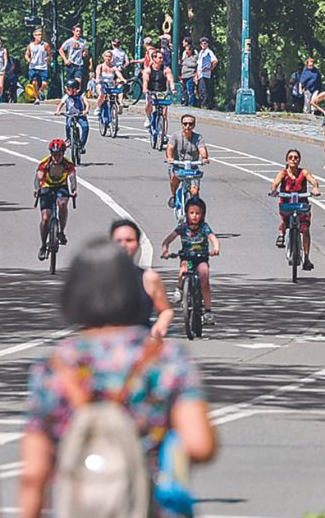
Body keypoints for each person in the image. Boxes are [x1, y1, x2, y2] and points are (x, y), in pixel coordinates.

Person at [18, 240, 216, 518]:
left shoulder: (56, 367)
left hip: (81, 505)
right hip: (149, 505)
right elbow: (200, 444)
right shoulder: (166, 360)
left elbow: (34, 474)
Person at [161, 198, 221, 325]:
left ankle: (208, 311)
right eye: (191, 213)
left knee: (204, 276)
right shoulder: (183, 227)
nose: (194, 216)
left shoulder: (204, 227)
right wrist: (165, 250)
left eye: (198, 213)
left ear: (202, 215)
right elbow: (168, 240)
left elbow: (213, 238)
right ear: (187, 213)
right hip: (187, 258)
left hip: (201, 258)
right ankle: (180, 289)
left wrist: (215, 248)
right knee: (183, 269)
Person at [110, 220, 175, 339]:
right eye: (118, 241)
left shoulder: (149, 278)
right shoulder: (97, 277)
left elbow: (166, 311)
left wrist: (160, 326)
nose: (123, 245)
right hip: (105, 347)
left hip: (140, 345)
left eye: (129, 240)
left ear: (138, 244)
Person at [270, 149, 322, 271]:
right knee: (285, 219)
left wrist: (315, 188)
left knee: (305, 229)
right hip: (287, 203)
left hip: (301, 205)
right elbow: (274, 184)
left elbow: (314, 182)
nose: (293, 160)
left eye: (296, 158)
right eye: (291, 157)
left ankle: (307, 258)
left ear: (299, 160)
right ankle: (281, 234)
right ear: (287, 160)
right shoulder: (283, 174)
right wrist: (274, 191)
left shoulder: (303, 172)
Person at [35, 139, 77, 261]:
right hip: (46, 188)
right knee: (45, 218)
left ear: (63, 154)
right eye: (54, 154)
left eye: (59, 154)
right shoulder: (45, 163)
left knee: (63, 203)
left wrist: (73, 189)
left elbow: (72, 177)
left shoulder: (67, 163)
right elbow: (38, 177)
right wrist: (37, 188)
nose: (56, 157)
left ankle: (61, 232)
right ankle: (43, 245)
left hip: (61, 187)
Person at [165, 114, 209, 207]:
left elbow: (202, 149)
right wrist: (170, 158)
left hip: (192, 168)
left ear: (194, 125)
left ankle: (193, 208)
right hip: (178, 166)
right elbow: (170, 148)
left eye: (190, 124)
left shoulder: (198, 137)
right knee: (174, 178)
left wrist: (204, 158)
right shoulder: (175, 136)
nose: (187, 126)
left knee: (194, 191)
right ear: (182, 125)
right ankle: (173, 196)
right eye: (185, 124)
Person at [142, 49, 175, 129]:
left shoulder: (166, 69)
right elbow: (145, 81)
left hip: (162, 92)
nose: (161, 60)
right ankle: (148, 117)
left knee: (164, 114)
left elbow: (170, 79)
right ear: (154, 59)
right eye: (159, 58)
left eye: (162, 58)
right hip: (151, 91)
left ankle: (164, 134)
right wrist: (145, 89)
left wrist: (173, 88)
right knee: (148, 104)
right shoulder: (148, 70)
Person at [93, 50, 126, 127]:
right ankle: (98, 107)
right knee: (102, 94)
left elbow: (119, 74)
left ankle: (119, 106)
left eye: (110, 56)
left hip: (111, 85)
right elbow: (97, 74)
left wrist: (123, 80)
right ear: (104, 57)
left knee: (119, 90)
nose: (108, 58)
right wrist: (97, 79)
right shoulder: (100, 66)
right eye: (107, 56)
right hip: (102, 84)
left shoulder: (113, 67)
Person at [55, 79, 89, 150]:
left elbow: (87, 104)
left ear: (74, 89)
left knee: (85, 127)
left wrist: (86, 110)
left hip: (80, 114)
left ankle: (81, 144)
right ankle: (69, 139)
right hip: (70, 114)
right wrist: (58, 111)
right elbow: (61, 104)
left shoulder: (81, 95)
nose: (67, 90)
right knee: (68, 125)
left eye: (68, 89)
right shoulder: (66, 96)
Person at [25, 28, 51, 103]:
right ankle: (37, 98)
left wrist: (48, 58)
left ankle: (41, 90)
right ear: (34, 36)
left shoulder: (45, 45)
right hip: (33, 67)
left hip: (43, 67)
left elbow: (50, 54)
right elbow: (27, 54)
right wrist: (28, 59)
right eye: (37, 35)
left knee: (44, 83)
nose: (39, 36)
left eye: (40, 35)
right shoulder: (31, 45)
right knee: (34, 82)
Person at [197, 38, 217, 109]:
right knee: (200, 89)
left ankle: (204, 104)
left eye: (205, 43)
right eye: (202, 44)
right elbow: (198, 64)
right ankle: (202, 103)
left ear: (207, 44)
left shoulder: (209, 52)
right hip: (200, 74)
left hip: (205, 74)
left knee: (204, 89)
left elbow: (215, 61)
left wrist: (210, 68)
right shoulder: (201, 52)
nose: (203, 45)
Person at [179, 41, 199, 106]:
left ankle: (191, 103)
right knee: (184, 90)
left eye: (187, 50)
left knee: (190, 90)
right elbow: (182, 63)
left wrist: (185, 63)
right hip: (184, 75)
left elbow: (194, 64)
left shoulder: (194, 57)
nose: (186, 52)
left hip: (190, 75)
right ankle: (185, 101)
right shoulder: (185, 56)